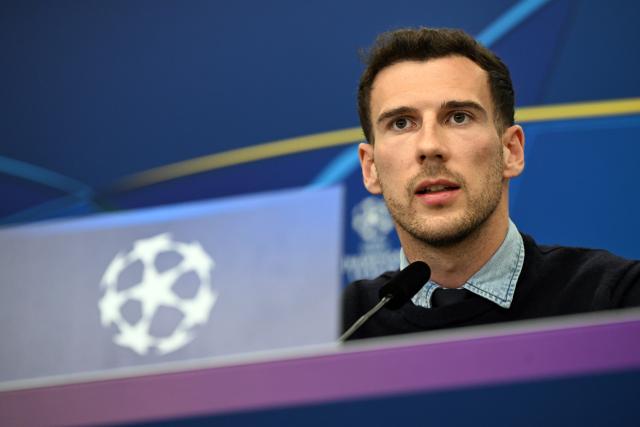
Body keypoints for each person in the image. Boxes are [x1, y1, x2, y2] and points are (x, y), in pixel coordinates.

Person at [342, 27, 640, 340]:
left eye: (458, 117)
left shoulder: (616, 302)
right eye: (401, 123)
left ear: (511, 151)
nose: (429, 146)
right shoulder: (339, 329)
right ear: (370, 168)